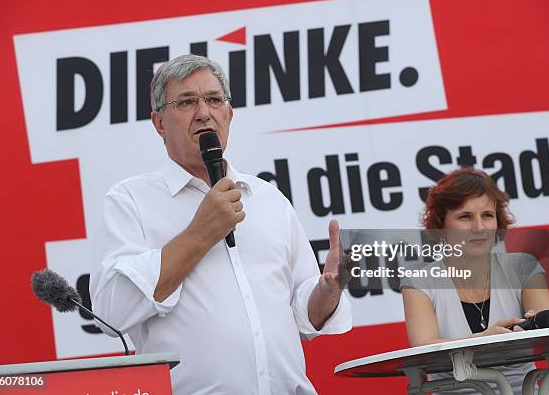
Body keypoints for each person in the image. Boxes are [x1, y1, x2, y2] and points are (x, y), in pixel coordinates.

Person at [89, 54, 352, 394]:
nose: (203, 113)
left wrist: (327, 291)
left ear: (229, 114)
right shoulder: (130, 202)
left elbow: (305, 315)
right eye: (186, 102)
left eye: (214, 100)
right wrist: (201, 232)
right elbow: (111, 313)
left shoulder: (269, 200)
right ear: (159, 123)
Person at [400, 167, 549, 394]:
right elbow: (424, 353)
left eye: (487, 215)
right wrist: (482, 339)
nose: (479, 227)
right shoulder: (419, 281)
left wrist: (534, 331)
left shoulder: (523, 267)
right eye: (465, 216)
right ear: (441, 225)